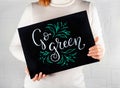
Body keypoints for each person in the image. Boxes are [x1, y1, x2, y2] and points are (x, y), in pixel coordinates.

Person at [9, 0, 105, 88]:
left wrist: (99, 52)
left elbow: (100, 47)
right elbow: (14, 46)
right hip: (40, 84)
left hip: (74, 84)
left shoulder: (88, 7)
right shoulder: (33, 9)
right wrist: (32, 63)